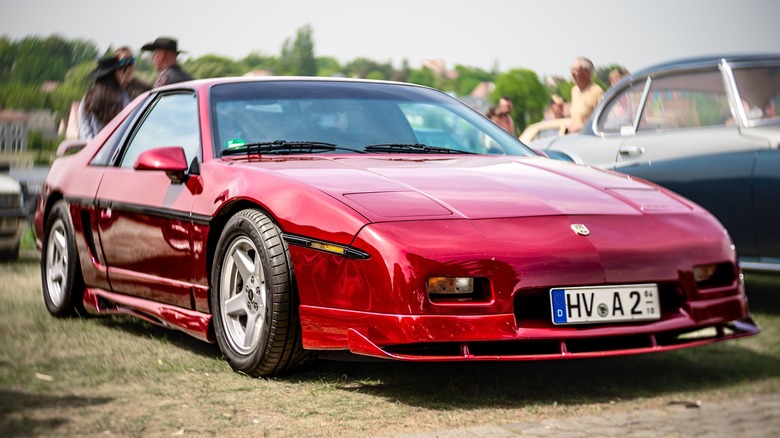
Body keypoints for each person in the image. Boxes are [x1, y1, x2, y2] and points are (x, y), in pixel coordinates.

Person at [78, 55, 135, 140]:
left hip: (96, 149)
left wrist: (93, 146)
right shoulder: (123, 96)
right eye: (121, 71)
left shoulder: (88, 97)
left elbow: (84, 126)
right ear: (114, 74)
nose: (123, 74)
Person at [568, 57, 604, 133]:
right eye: (571, 69)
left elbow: (603, 120)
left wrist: (582, 126)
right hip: (575, 139)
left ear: (587, 73)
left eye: (575, 70)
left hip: (589, 139)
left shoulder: (597, 91)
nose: (572, 73)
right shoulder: (574, 91)